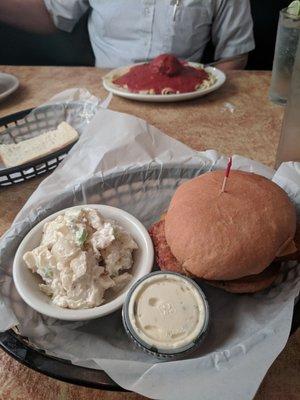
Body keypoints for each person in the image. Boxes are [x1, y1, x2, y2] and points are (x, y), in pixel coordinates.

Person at [0, 0, 255, 70]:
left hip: (183, 95)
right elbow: (51, 15)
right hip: (105, 94)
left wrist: (202, 93)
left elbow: (234, 54)